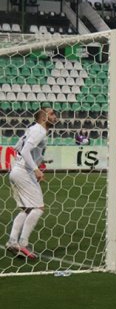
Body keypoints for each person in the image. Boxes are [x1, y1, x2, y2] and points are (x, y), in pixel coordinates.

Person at [6, 107, 57, 259]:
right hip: (23, 172)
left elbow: (17, 147)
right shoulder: (39, 131)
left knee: (27, 209)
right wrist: (35, 169)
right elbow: (26, 150)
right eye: (52, 114)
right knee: (39, 208)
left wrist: (36, 164)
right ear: (43, 117)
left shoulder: (32, 129)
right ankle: (23, 243)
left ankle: (12, 241)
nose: (56, 116)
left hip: (17, 170)